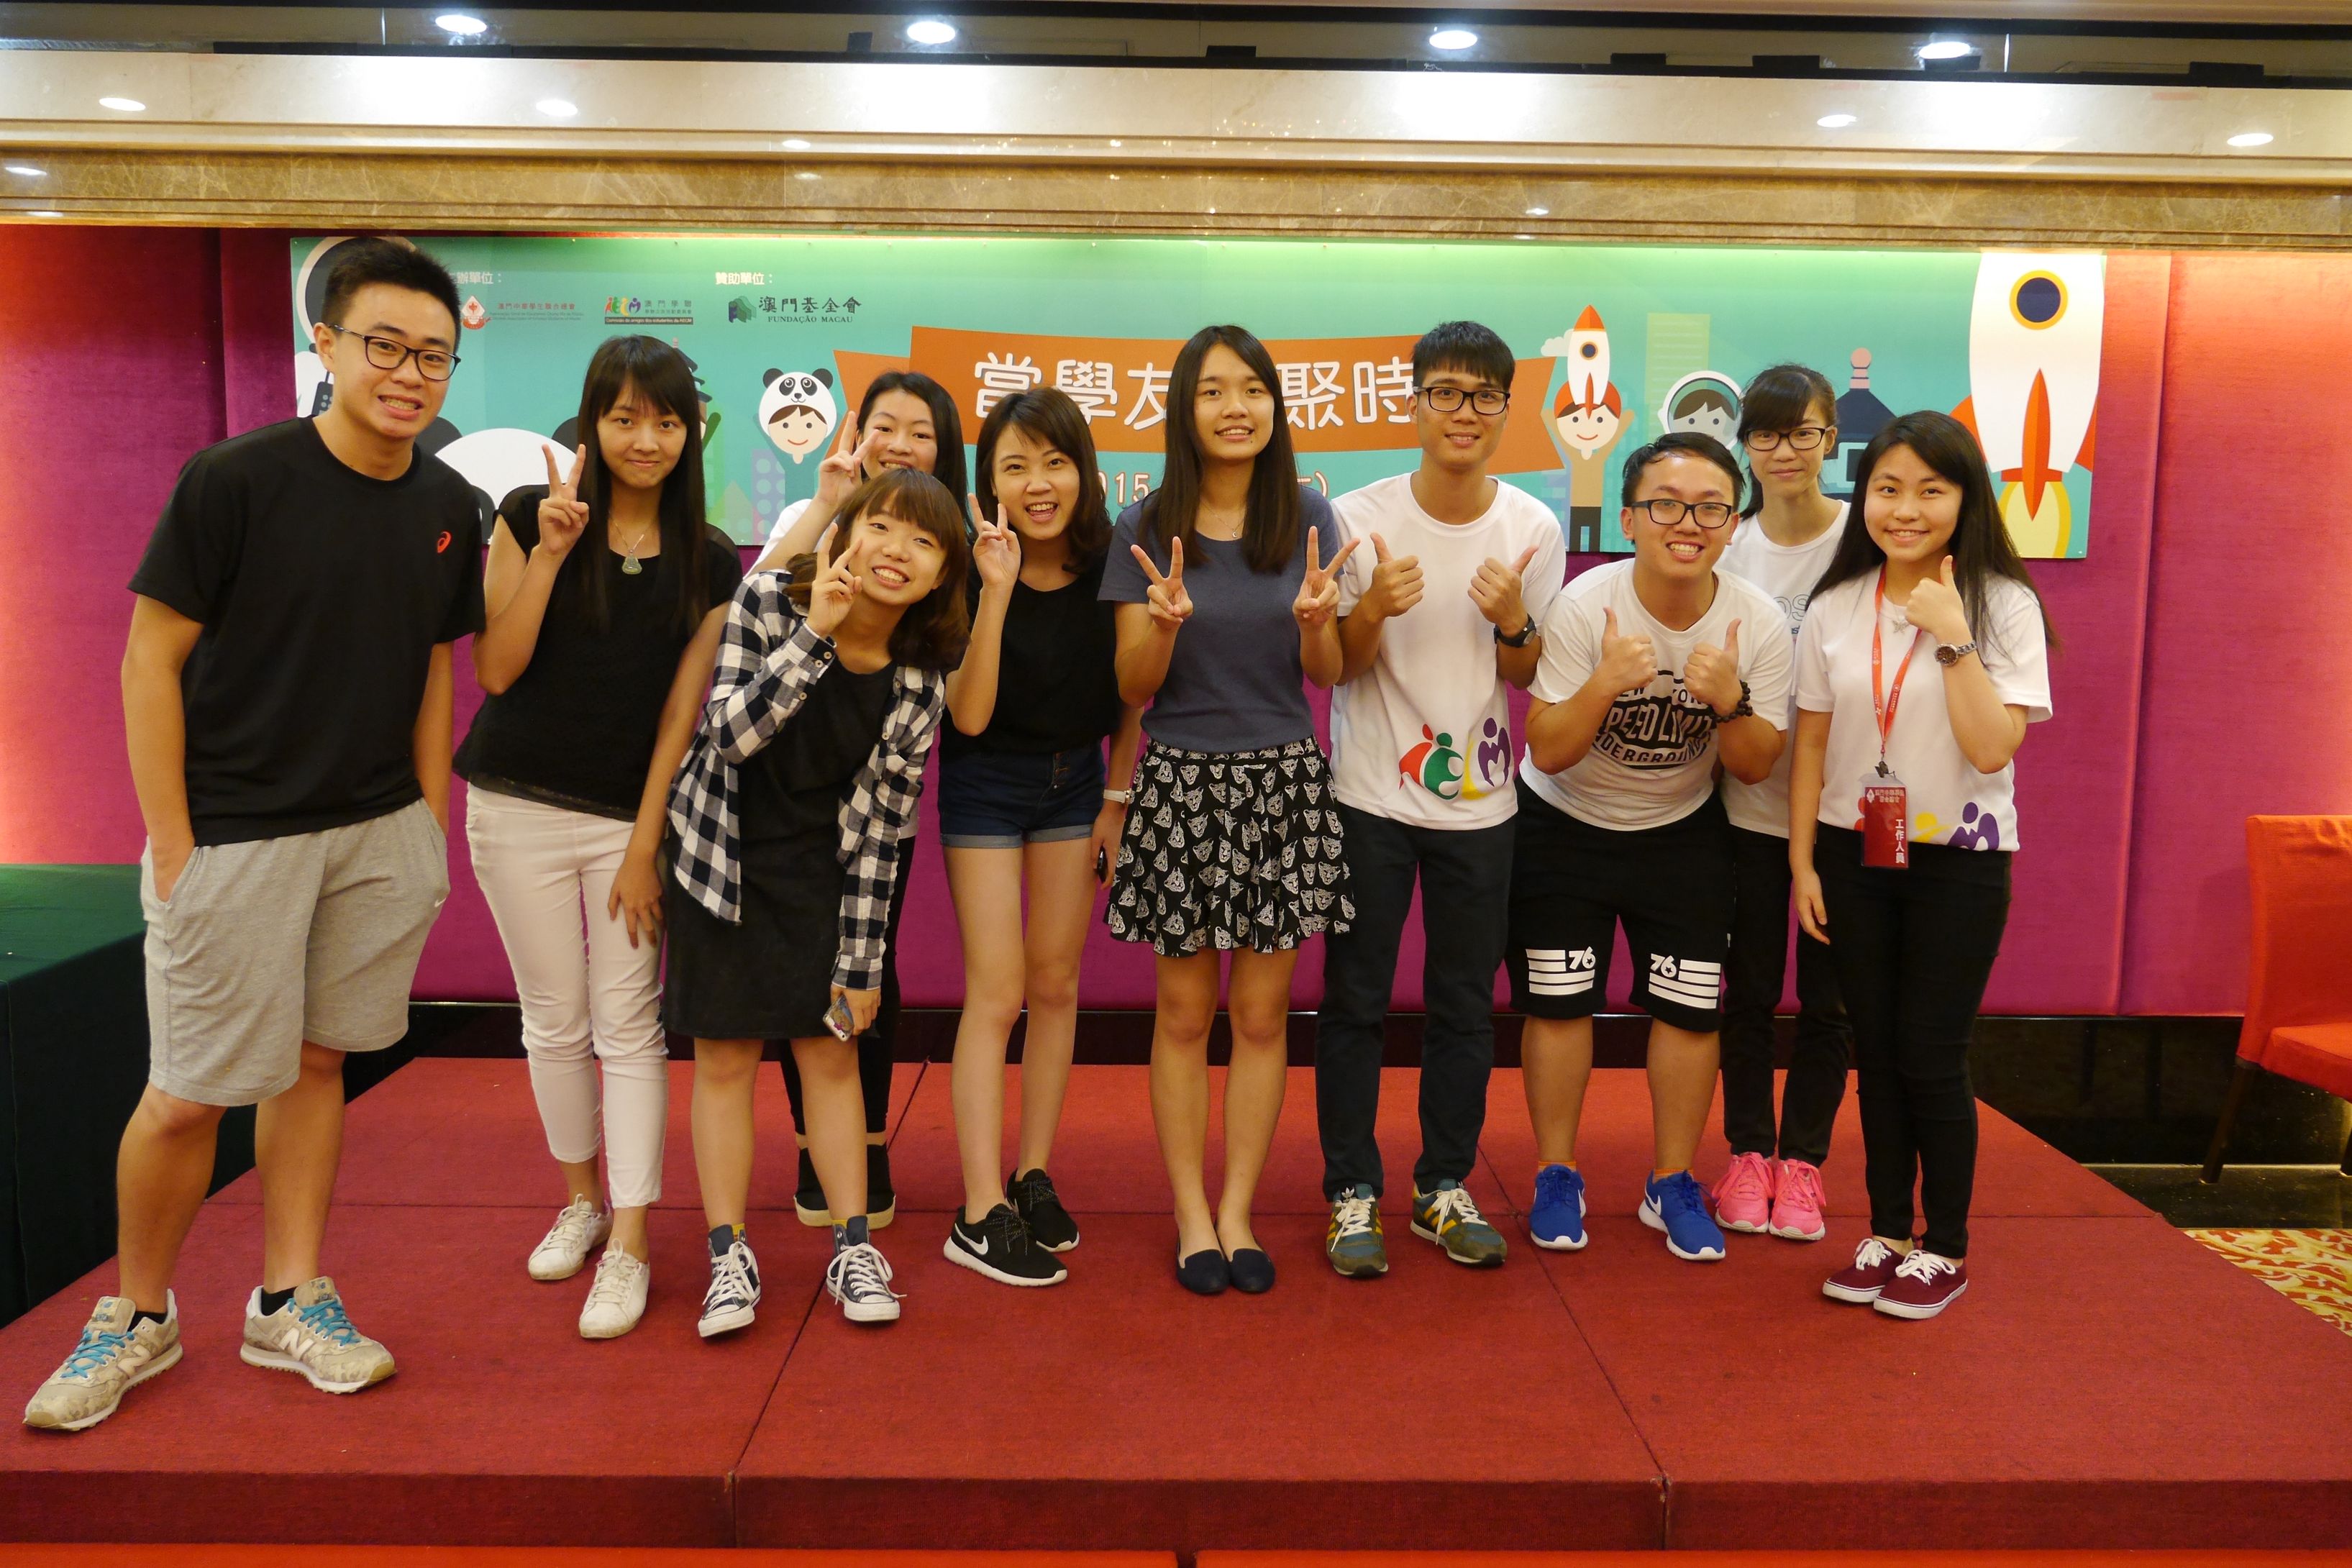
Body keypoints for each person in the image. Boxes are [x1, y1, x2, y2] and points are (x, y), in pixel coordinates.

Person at [27, 239, 482, 1431]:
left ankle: (289, 1298)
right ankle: (137, 1313)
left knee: (321, 1065)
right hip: (233, 837)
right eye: (385, 346)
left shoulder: (448, 507)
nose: (409, 373)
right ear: (325, 343)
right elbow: (150, 659)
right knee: (188, 1093)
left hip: (377, 836)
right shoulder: (234, 479)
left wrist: (428, 822)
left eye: (433, 355)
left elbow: (433, 665)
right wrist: (174, 842)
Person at [455, 335, 744, 1339]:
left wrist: (644, 842)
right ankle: (580, 1199)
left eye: (665, 421)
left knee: (628, 1024)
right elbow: (495, 669)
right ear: (592, 422)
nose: (644, 439)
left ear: (691, 432)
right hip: (514, 803)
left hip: (630, 818)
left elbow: (681, 716)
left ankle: (629, 1240)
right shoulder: (526, 515)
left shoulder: (711, 558)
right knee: (551, 1018)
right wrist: (549, 552)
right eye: (623, 418)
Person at [667, 469, 968, 1330]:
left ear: (941, 576)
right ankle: (729, 1255)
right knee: (725, 1058)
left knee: (832, 1055)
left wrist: (862, 961)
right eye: (883, 526)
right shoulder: (768, 600)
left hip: (821, 873)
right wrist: (817, 636)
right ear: (846, 529)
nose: (897, 551)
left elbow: (884, 835)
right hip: (720, 859)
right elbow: (728, 736)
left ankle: (853, 1247)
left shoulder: (919, 681)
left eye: (924, 542)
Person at [1100, 324, 1354, 1298]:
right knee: (1180, 1013)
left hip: (1283, 781)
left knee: (1259, 1014)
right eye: (1212, 390)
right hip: (1180, 782)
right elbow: (1133, 686)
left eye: (1251, 388)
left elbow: (1324, 675)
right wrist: (1164, 627)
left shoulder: (1307, 514)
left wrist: (1317, 624)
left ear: (1274, 407)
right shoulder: (1144, 522)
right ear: (1184, 407)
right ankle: (1190, 1213)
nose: (1235, 407)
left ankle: (1239, 1208)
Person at [1316, 321, 1565, 1279]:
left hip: (1483, 806)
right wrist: (1374, 607)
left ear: (1506, 410)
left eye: (1484, 396)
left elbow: (1528, 673)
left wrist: (1515, 622)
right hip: (1369, 797)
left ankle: (1442, 1184)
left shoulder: (1532, 528)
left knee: (1465, 1004)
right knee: (1355, 1001)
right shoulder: (1355, 518)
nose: (1464, 412)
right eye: (1446, 392)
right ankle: (1350, 1190)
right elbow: (1337, 668)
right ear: (1414, 401)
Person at [1792, 411, 2054, 1321]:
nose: (1904, 509)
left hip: (1961, 859)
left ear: (1965, 499)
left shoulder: (2000, 602)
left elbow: (1991, 747)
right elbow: (1812, 742)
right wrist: (1803, 863)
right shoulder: (1835, 604)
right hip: (1853, 848)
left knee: (1931, 1054)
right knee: (1875, 1052)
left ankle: (1945, 1244)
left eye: (1929, 490)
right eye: (1887, 489)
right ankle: (1888, 1232)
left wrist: (1952, 634)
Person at [1509, 432, 1794, 1264]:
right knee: (1558, 1002)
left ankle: (1671, 1180)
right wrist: (1604, 682)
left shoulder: (1757, 620)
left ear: (1733, 524)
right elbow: (1548, 747)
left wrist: (1731, 702)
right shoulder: (1583, 604)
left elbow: (1755, 764)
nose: (1688, 522)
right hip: (1563, 823)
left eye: (1710, 508)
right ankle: (1557, 1173)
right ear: (1630, 519)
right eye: (1666, 504)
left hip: (1682, 830)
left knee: (1690, 1008)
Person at [938, 389, 1143, 1287]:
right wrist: (994, 588)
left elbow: (1135, 694)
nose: (1038, 483)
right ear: (990, 480)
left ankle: (1031, 1174)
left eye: (1054, 462)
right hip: (985, 781)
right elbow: (969, 713)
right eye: (1015, 465)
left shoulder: (1111, 563)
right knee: (998, 989)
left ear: (1083, 472)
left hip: (1077, 783)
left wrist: (1115, 801)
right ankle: (979, 1208)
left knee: (1057, 983)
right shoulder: (966, 567)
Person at [757, 370, 969, 1231]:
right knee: (788, 975)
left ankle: (868, 1141)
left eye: (922, 433)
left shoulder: (948, 545)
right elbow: (754, 609)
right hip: (779, 804)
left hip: (878, 804)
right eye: (886, 425)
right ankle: (812, 1141)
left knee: (867, 963)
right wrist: (827, 507)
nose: (901, 444)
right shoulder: (813, 516)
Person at [1710, 365, 1855, 1244]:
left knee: (1831, 1001)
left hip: (1845, 813)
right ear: (1746, 446)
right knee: (1752, 991)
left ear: (1830, 437)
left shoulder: (1864, 536)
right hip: (1749, 807)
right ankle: (1748, 1154)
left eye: (1802, 432)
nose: (1785, 451)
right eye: (1765, 434)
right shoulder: (1730, 547)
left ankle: (1804, 1162)